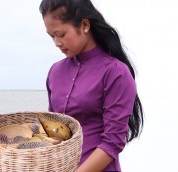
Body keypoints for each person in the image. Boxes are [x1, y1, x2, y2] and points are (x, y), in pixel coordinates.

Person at [39, 0, 144, 171]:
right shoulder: (55, 71)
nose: (56, 42)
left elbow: (112, 143)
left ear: (85, 25)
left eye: (61, 34)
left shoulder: (115, 72)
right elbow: (52, 132)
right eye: (52, 36)